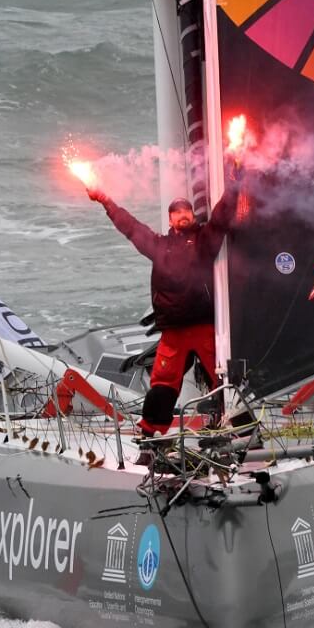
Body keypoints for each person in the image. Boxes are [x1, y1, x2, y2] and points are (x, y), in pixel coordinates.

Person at [87, 186, 236, 448]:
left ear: (192, 214)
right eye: (176, 212)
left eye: (186, 211)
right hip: (173, 330)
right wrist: (105, 200)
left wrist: (236, 181)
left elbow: (223, 217)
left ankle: (236, 424)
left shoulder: (204, 240)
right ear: (169, 219)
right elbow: (130, 227)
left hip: (203, 324)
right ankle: (152, 429)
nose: (182, 216)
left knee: (222, 375)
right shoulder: (158, 245)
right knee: (163, 380)